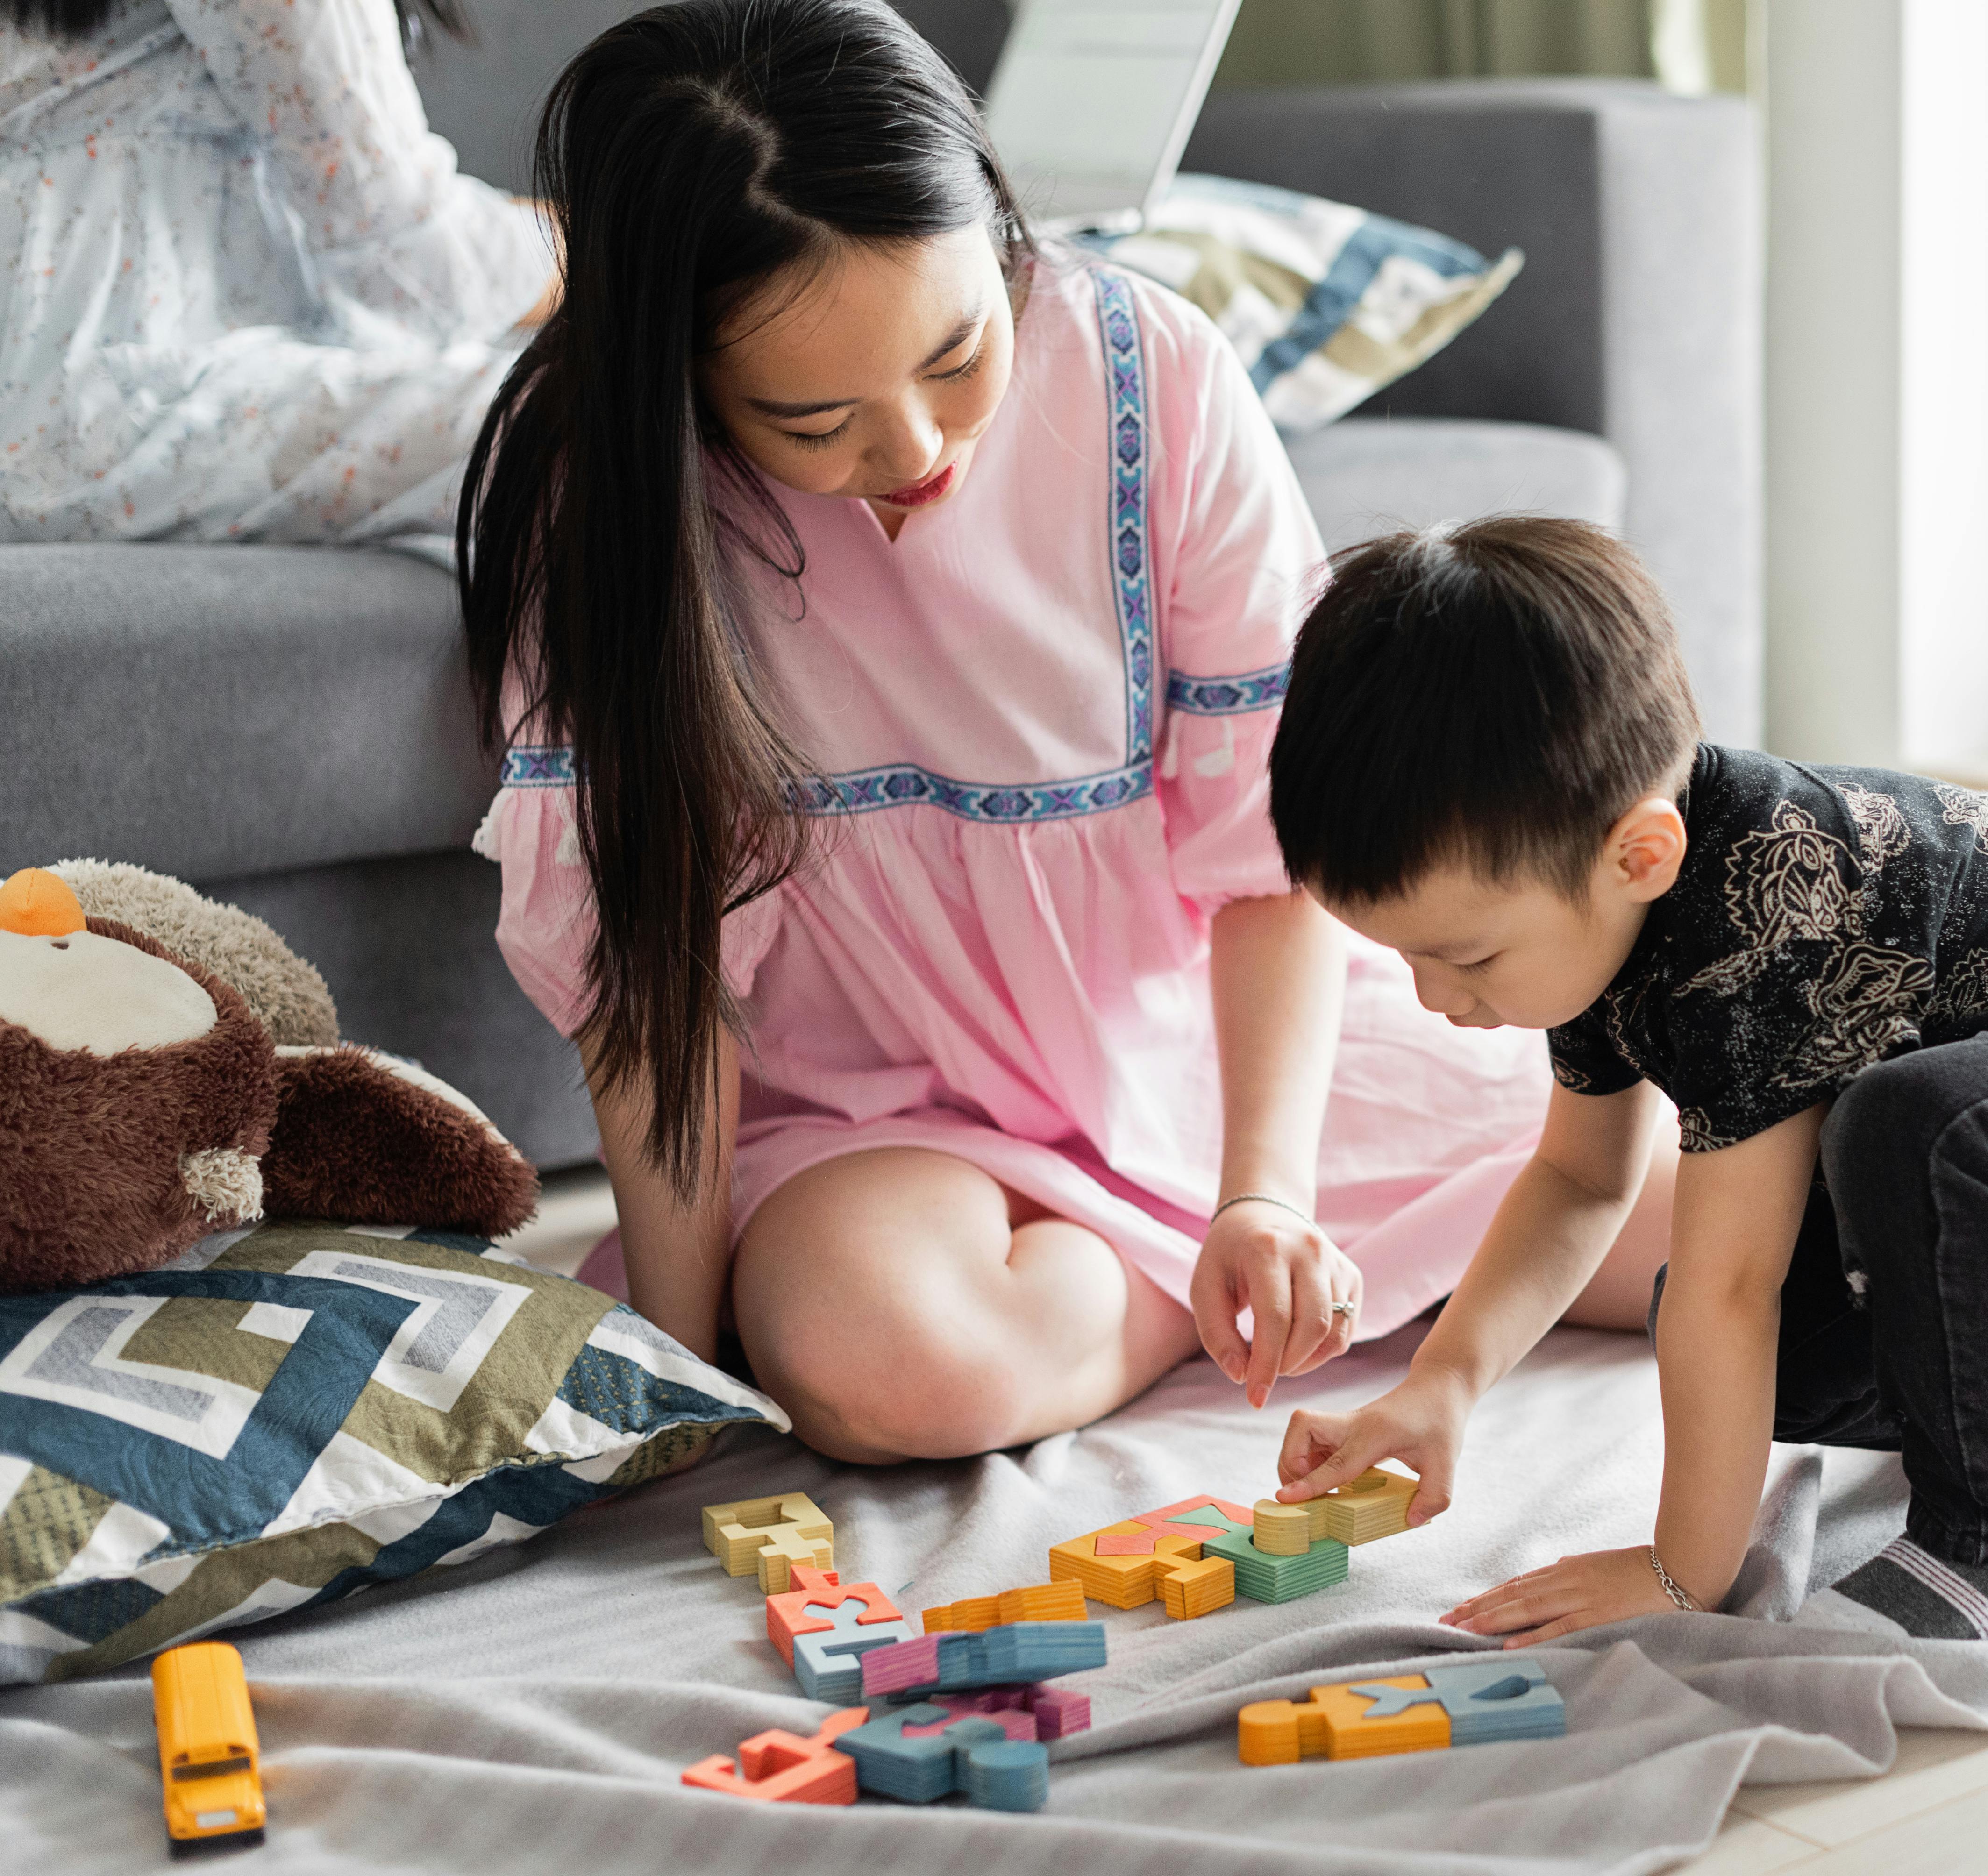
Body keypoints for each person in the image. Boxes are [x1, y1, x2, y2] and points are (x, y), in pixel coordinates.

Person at [461, 0, 1671, 1464]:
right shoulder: (602, 503)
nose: (913, 451)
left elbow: (1266, 861)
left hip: (1222, 1056)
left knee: (1718, 1209)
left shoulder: (1150, 369)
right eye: (813, 419)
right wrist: (673, 1358)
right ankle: (1206, 1295)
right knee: (892, 1368)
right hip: (883, 1123)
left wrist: (1263, 1196)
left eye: (956, 353)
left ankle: (1214, 1264)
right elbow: (654, 978)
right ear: (684, 388)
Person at [1262, 517, 1988, 1642]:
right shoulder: (1611, 903)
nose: (1432, 996)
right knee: (1774, 1340)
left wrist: (1683, 1568)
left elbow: (1724, 1284)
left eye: (1465, 954)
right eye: (1400, 954)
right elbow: (1581, 1179)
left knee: (1901, 1137)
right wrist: (1441, 1381)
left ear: (1638, 853)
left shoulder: (1761, 914)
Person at [0, 0, 558, 542]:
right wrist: (614, 244)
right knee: (592, 415)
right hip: (92, 406)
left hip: (71, 384)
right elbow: (407, 260)